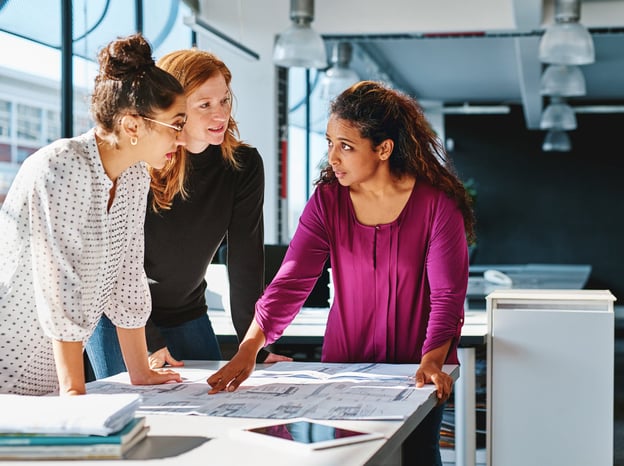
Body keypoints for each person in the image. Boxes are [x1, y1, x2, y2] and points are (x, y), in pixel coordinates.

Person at [206, 80, 476, 465]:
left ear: (383, 149)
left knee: (417, 457)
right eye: (330, 143)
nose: (333, 157)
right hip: (344, 367)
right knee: (350, 459)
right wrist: (250, 348)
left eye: (346, 146)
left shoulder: (437, 206)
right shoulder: (328, 202)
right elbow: (291, 282)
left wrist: (432, 361)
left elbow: (447, 296)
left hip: (416, 370)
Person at [0, 33, 186, 395]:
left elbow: (128, 275)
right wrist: (74, 392)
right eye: (175, 125)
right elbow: (60, 288)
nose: (181, 139)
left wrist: (140, 372)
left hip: (52, 373)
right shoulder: (61, 166)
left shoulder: (134, 175)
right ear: (132, 125)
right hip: (8, 364)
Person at [86, 48, 288, 378]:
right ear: (173, 107)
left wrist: (253, 347)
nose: (220, 114)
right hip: (118, 314)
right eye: (204, 105)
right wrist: (149, 340)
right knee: (134, 411)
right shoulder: (140, 164)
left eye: (224, 100)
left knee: (218, 401)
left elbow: (245, 265)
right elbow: (114, 265)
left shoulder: (243, 166)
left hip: (186, 311)